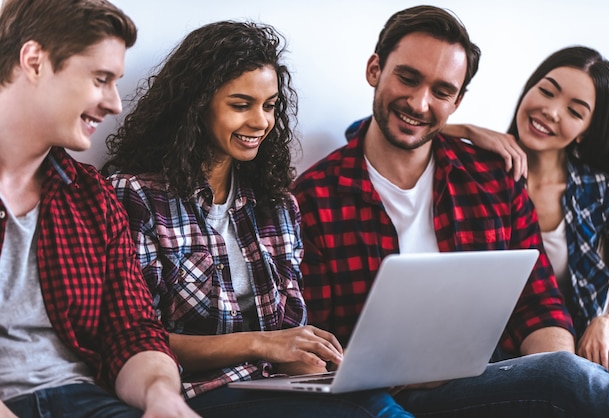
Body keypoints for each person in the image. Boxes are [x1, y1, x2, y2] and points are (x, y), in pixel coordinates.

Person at [292, 5, 609, 417]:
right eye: (408, 78)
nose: (419, 102)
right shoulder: (312, 198)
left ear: (458, 100)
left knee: (565, 373)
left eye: (442, 91)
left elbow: (537, 302)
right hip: (387, 397)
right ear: (375, 69)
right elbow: (313, 342)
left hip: (496, 379)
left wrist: (550, 367)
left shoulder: (493, 179)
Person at [104, 20, 411, 417]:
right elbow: (139, 339)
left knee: (378, 403)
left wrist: (324, 361)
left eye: (269, 106)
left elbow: (289, 329)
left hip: (276, 384)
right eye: (241, 105)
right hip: (200, 393)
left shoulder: (276, 204)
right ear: (197, 104)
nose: (261, 122)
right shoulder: (136, 196)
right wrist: (262, 343)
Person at [0, 0, 199, 417]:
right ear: (34, 61)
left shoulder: (91, 197)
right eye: (101, 79)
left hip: (83, 400)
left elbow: (132, 331)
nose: (114, 104)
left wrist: (162, 395)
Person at [442, 46, 609, 380]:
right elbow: (370, 133)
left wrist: (608, 321)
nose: (551, 111)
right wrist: (464, 130)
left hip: (568, 348)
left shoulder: (602, 191)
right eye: (546, 91)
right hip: (484, 347)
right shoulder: (481, 170)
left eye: (575, 111)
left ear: (586, 129)